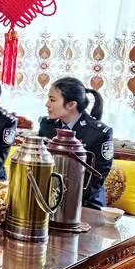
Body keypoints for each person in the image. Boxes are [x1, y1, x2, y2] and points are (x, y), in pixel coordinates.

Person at [39, 76, 113, 210]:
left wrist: (65, 200)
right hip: (49, 198)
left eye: (52, 100)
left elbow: (97, 178)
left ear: (71, 105)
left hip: (85, 203)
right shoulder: (47, 126)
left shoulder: (98, 133)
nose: (47, 104)